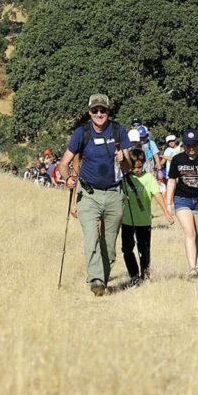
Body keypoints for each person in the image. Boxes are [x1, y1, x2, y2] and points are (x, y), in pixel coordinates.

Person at [58, 93, 132, 297]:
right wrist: (68, 179)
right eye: (95, 110)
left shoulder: (119, 131)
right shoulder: (81, 133)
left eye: (103, 110)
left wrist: (122, 159)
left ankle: (102, 280)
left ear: (108, 111)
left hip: (114, 193)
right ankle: (96, 280)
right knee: (91, 239)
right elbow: (63, 164)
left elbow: (127, 168)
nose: (99, 114)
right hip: (88, 194)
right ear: (89, 112)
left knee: (109, 245)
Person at [121, 147, 173, 285]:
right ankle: (134, 275)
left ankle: (145, 274)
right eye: (134, 167)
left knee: (144, 250)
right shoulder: (124, 178)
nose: (137, 170)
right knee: (127, 249)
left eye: (139, 167)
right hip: (127, 221)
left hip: (143, 221)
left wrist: (166, 212)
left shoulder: (149, 178)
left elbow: (157, 195)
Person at [165, 128, 198, 278]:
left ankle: (194, 264)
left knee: (196, 234)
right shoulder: (178, 159)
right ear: (183, 146)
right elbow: (172, 180)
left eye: (194, 145)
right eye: (188, 145)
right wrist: (168, 203)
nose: (191, 149)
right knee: (190, 232)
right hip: (182, 199)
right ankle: (192, 268)